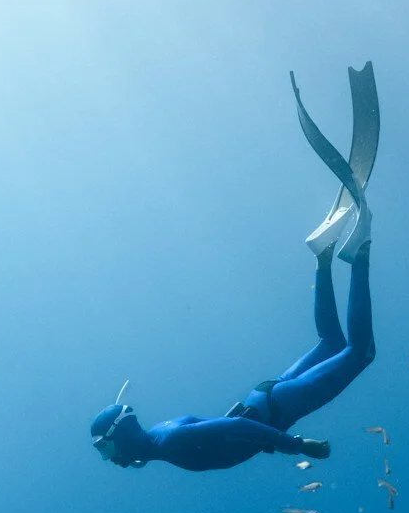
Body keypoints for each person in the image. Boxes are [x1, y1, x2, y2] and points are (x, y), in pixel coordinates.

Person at [90, 64, 378, 473]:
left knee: (358, 352)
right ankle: (323, 258)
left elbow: (230, 430)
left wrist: (296, 445)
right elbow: (218, 432)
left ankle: (359, 251)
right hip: (268, 401)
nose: (111, 461)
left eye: (106, 450)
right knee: (331, 341)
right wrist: (138, 456)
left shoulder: (170, 442)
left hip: (276, 410)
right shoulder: (160, 440)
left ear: (121, 435)